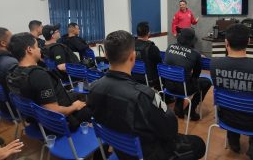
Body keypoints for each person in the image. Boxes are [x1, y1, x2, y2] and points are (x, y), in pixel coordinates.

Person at [88, 30, 206, 160]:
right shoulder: (145, 94)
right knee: (199, 144)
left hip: (120, 149)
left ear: (105, 55)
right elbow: (170, 129)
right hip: (147, 153)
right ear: (132, 56)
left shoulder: (93, 87)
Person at [210, 24, 253, 155]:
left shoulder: (214, 64)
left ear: (226, 42)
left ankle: (233, 142)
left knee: (232, 97)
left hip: (225, 118)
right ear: (248, 41)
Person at [7, 32, 91, 130]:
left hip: (38, 119)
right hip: (61, 121)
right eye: (37, 46)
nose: (39, 49)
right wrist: (74, 107)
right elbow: (52, 110)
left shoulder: (13, 72)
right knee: (92, 107)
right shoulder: (38, 75)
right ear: (29, 49)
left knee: (80, 95)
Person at [164, 28, 211, 121]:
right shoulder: (195, 54)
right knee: (206, 82)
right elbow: (196, 76)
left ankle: (178, 105)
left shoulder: (170, 47)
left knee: (181, 77)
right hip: (182, 88)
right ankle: (191, 110)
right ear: (192, 40)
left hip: (167, 86)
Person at [134, 21, 162, 88]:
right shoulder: (152, 48)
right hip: (149, 80)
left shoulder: (130, 46)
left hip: (134, 78)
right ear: (148, 33)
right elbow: (160, 64)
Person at [0, 27, 18, 114]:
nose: (14, 41)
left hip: (3, 107)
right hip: (15, 109)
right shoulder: (10, 63)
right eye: (11, 38)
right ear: (3, 43)